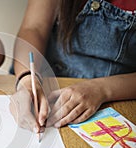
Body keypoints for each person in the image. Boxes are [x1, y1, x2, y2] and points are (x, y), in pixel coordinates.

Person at [10, 0, 136, 132]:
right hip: (43, 80)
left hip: (117, 95)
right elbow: (33, 28)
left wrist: (102, 89)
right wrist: (26, 80)